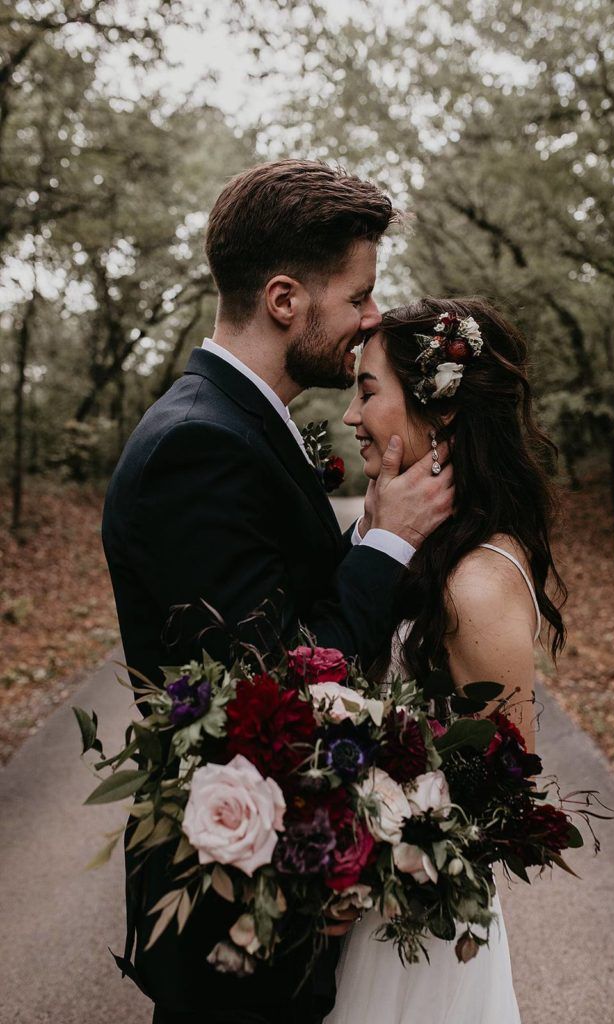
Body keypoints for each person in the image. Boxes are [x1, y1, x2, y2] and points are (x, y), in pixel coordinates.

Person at [101, 161, 454, 1024]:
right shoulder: (199, 447)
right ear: (286, 300)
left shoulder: (241, 423)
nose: (372, 318)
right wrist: (386, 544)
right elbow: (277, 687)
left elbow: (276, 600)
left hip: (280, 887)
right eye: (360, 295)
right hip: (232, 913)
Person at [331, 296, 567, 1023]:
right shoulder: (420, 550)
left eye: (367, 391)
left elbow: (502, 794)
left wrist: (374, 819)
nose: (349, 415)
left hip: (419, 928)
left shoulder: (475, 581)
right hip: (369, 907)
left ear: (441, 415)